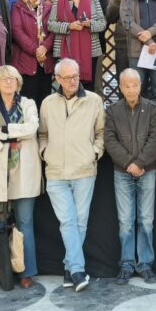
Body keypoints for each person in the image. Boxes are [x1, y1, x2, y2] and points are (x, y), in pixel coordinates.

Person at [38, 58, 105, 292]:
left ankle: (69, 267)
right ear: (57, 79)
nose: (73, 81)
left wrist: (94, 153)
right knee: (68, 221)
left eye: (75, 76)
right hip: (55, 171)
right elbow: (42, 134)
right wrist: (45, 152)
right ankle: (77, 270)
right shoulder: (47, 103)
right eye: (67, 77)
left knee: (80, 221)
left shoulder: (94, 101)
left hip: (84, 170)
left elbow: (101, 133)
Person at [0, 65, 43, 291]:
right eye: (3, 79)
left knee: (25, 223)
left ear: (18, 82)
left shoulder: (28, 104)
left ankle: (27, 272)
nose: (8, 82)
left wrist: (3, 130)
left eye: (12, 79)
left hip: (23, 170)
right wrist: (14, 132)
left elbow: (32, 128)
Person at [104, 69, 156, 285]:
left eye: (134, 85)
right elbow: (110, 141)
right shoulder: (112, 111)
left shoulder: (153, 109)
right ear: (120, 87)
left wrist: (139, 163)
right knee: (125, 222)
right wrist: (129, 164)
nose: (131, 89)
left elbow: (155, 139)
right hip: (122, 172)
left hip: (147, 171)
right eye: (126, 86)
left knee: (146, 221)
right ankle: (127, 264)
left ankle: (145, 264)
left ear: (140, 86)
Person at [47, 0, 108, 92]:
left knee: (88, 89)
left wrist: (90, 24)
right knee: (66, 87)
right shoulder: (58, 0)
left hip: (90, 51)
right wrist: (69, 26)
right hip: (65, 50)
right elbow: (50, 24)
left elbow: (103, 23)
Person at [10, 0, 55, 104]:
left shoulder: (48, 6)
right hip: (25, 62)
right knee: (27, 103)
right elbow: (17, 31)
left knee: (44, 102)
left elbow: (54, 30)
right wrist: (36, 50)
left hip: (46, 62)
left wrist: (45, 47)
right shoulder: (17, 7)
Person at [105, 0, 140, 84]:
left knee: (141, 82)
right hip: (122, 45)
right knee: (123, 81)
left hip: (142, 44)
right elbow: (109, 18)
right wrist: (116, 1)